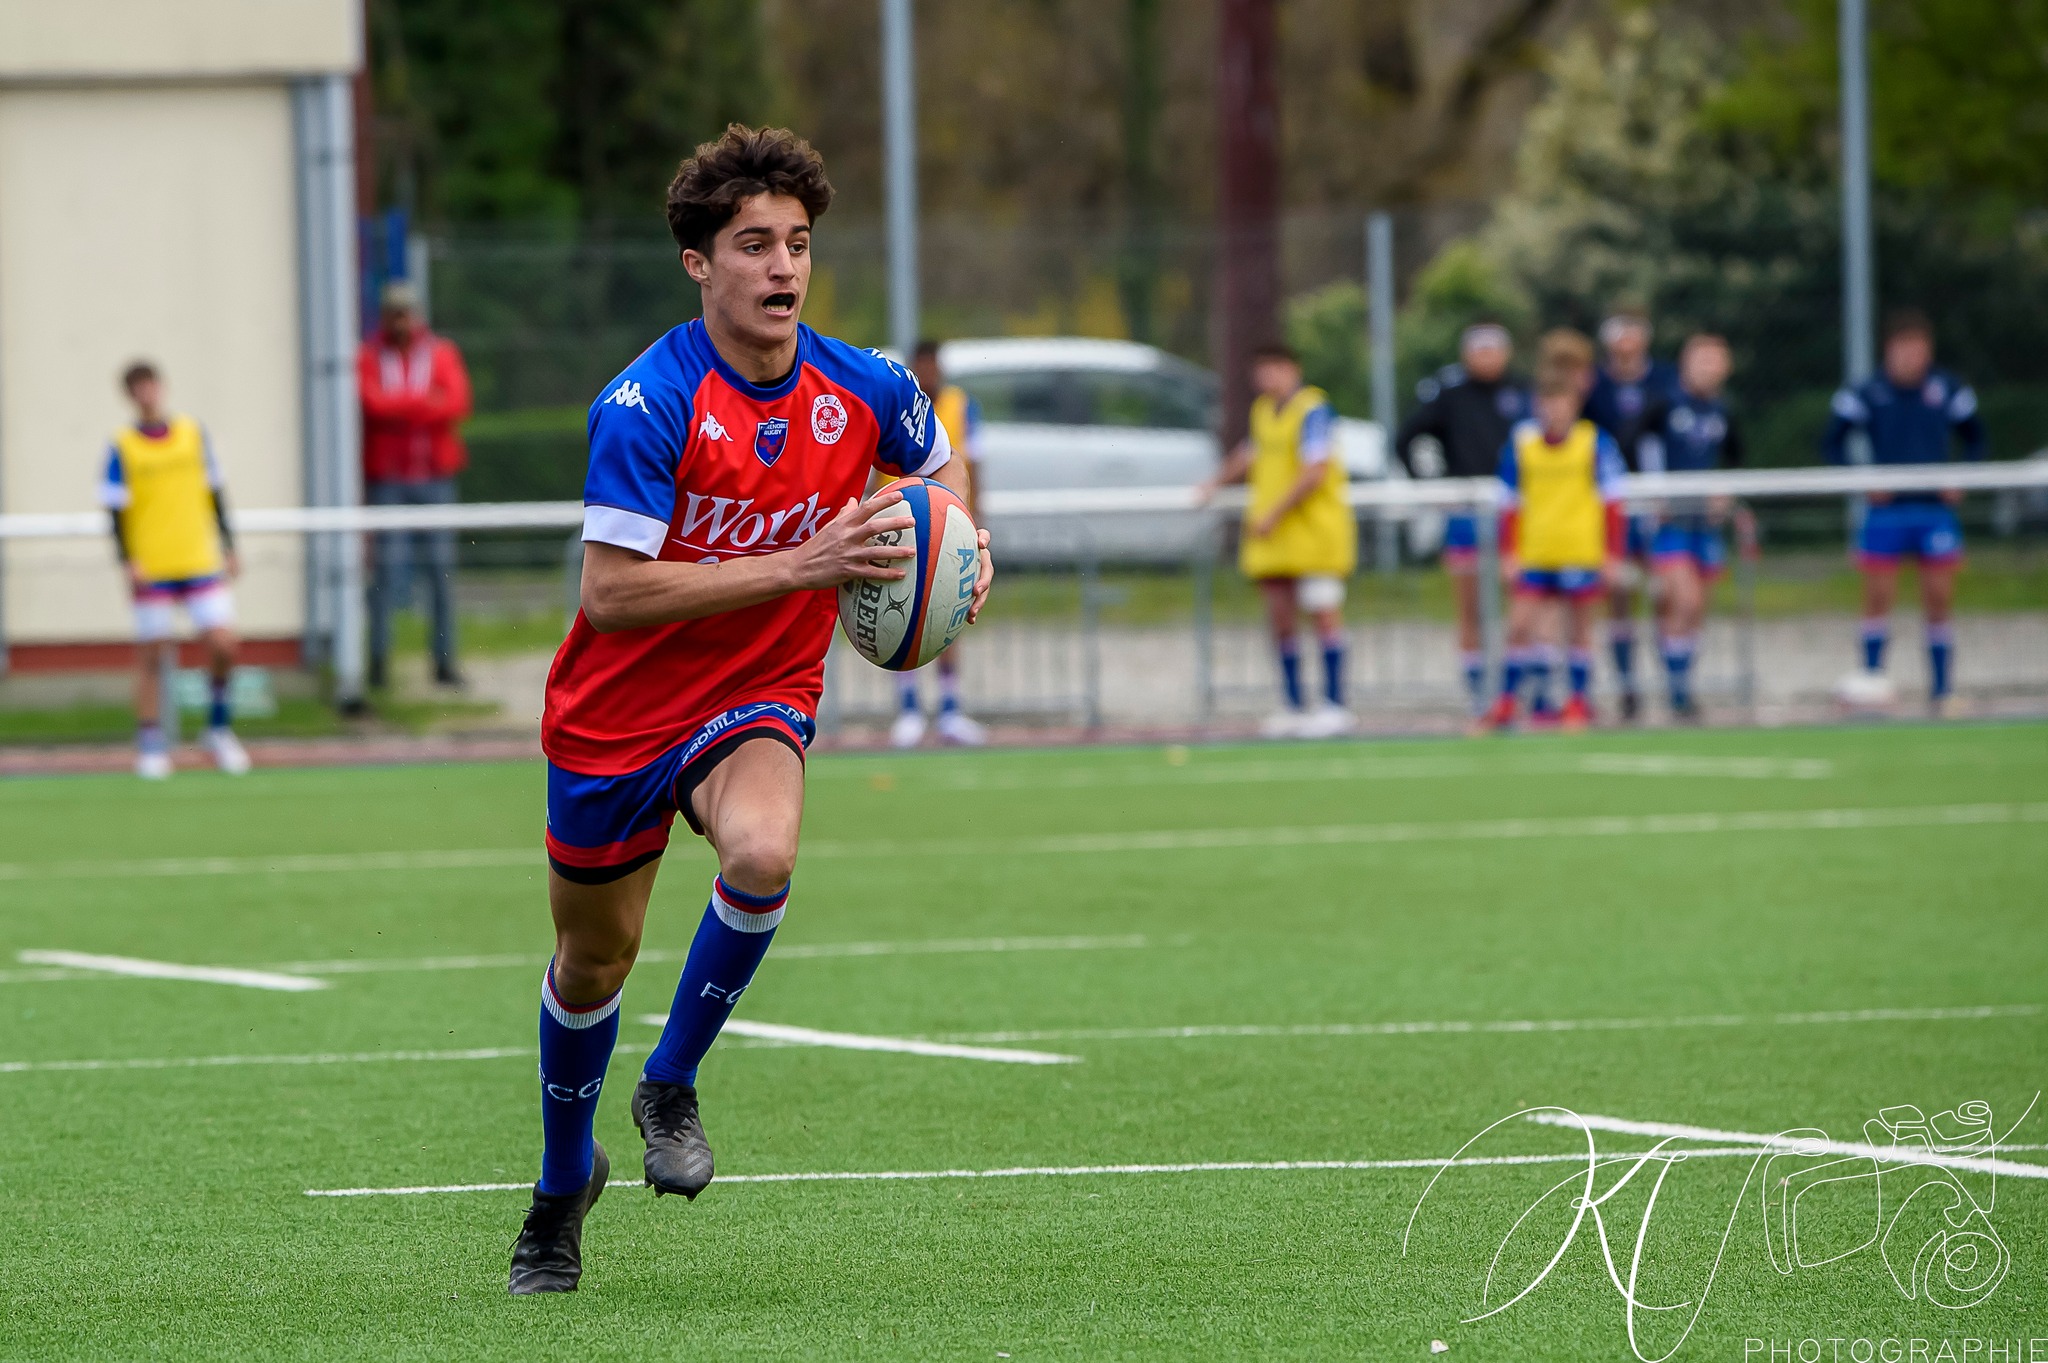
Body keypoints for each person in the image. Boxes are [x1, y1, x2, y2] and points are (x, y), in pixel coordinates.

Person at [509, 125, 992, 1295]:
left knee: (765, 851)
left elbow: (936, 468)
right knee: (590, 962)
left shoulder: (864, 383)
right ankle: (561, 1181)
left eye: (798, 244)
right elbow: (610, 594)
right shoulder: (645, 402)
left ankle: (669, 1080)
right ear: (698, 264)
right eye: (752, 246)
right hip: (615, 713)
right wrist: (801, 566)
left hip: (754, 694)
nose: (781, 269)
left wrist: (953, 553)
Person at [1822, 309, 1984, 713]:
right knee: (1877, 597)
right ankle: (1873, 683)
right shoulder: (1867, 391)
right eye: (1904, 349)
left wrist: (1961, 477)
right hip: (1887, 511)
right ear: (1889, 350)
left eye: (1919, 350)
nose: (1912, 358)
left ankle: (1942, 690)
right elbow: (1832, 442)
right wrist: (1863, 481)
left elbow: (1977, 438)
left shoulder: (1947, 388)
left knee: (1939, 597)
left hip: (1933, 510)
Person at [1196, 343, 1357, 739]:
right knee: (1280, 618)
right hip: (1273, 538)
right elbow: (1250, 453)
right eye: (1261, 371)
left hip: (1313, 532)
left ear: (1293, 370)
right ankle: (1293, 704)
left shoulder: (1313, 409)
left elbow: (1314, 469)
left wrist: (1273, 512)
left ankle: (1335, 703)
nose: (1268, 379)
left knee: (1323, 611)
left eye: (1275, 369)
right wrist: (1214, 484)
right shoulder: (1262, 413)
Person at [99, 363, 251, 780]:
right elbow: (114, 509)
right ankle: (150, 740)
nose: (147, 393)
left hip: (198, 558)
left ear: (161, 387)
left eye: (151, 385)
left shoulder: (191, 434)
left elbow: (215, 491)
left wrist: (229, 545)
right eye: (138, 388)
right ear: (130, 395)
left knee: (224, 643)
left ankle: (218, 728)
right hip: (153, 564)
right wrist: (127, 559)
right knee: (152, 653)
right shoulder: (122, 445)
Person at [1394, 323, 1530, 717]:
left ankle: (1517, 689)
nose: (1487, 358)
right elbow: (1407, 437)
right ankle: (1478, 692)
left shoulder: (1521, 392)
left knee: (1524, 605)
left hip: (1515, 513)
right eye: (1479, 350)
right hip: (1466, 512)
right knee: (1470, 606)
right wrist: (1430, 489)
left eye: (1494, 349)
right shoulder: (1450, 395)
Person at [1484, 363, 1627, 732]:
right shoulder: (1522, 445)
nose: (1554, 410)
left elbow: (1613, 502)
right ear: (1537, 405)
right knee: (1520, 626)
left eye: (1561, 402)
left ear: (1574, 404)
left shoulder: (1594, 443)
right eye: (1547, 403)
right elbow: (1508, 503)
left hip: (1580, 549)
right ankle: (1507, 701)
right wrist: (1508, 551)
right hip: (1536, 551)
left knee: (1579, 629)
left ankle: (1578, 702)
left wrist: (1612, 554)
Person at [359, 279, 473, 689]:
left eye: (406, 312)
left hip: (435, 477)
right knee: (385, 573)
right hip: (388, 479)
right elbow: (371, 404)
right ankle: (378, 665)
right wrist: (425, 403)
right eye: (393, 313)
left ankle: (444, 664)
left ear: (417, 314)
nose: (400, 321)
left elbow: (457, 403)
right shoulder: (370, 356)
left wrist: (400, 408)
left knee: (441, 572)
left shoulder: (441, 353)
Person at [1640, 333, 1745, 722]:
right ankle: (1678, 689)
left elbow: (1736, 457)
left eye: (1716, 361)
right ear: (1685, 362)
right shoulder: (1664, 403)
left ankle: (1681, 681)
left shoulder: (1722, 409)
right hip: (1671, 522)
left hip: (1706, 524)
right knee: (1685, 601)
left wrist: (1726, 492)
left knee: (1695, 609)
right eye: (1702, 359)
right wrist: (1654, 495)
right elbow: (1638, 446)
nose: (1709, 368)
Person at [890, 338, 987, 748]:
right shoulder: (895, 402)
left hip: (946, 528)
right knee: (897, 613)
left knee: (946, 615)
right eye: (921, 366)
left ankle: (949, 708)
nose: (928, 373)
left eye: (933, 365)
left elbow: (974, 465)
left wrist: (973, 519)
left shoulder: (961, 406)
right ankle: (909, 708)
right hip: (898, 523)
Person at [1585, 309, 1681, 720]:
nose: (1626, 341)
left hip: (1655, 500)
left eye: (1634, 332)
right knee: (1619, 592)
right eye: (1619, 333)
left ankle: (1675, 682)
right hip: (1610, 503)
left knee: (1665, 590)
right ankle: (1627, 684)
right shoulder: (1595, 386)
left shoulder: (1664, 380)